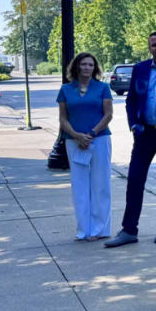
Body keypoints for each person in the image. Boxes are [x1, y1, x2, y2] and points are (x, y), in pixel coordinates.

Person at [106, 32, 156, 248]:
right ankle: (129, 229)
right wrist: (133, 124)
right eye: (153, 45)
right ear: (149, 47)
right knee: (135, 180)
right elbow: (131, 100)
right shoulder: (140, 68)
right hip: (145, 135)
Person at [56, 52, 113, 241]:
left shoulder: (103, 88)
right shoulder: (65, 90)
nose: (87, 68)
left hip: (99, 140)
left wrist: (92, 134)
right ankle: (84, 230)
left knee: (100, 184)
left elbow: (108, 115)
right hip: (74, 142)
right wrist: (76, 135)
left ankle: (100, 230)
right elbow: (63, 118)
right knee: (79, 186)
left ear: (94, 68)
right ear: (77, 67)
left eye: (90, 65)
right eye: (83, 64)